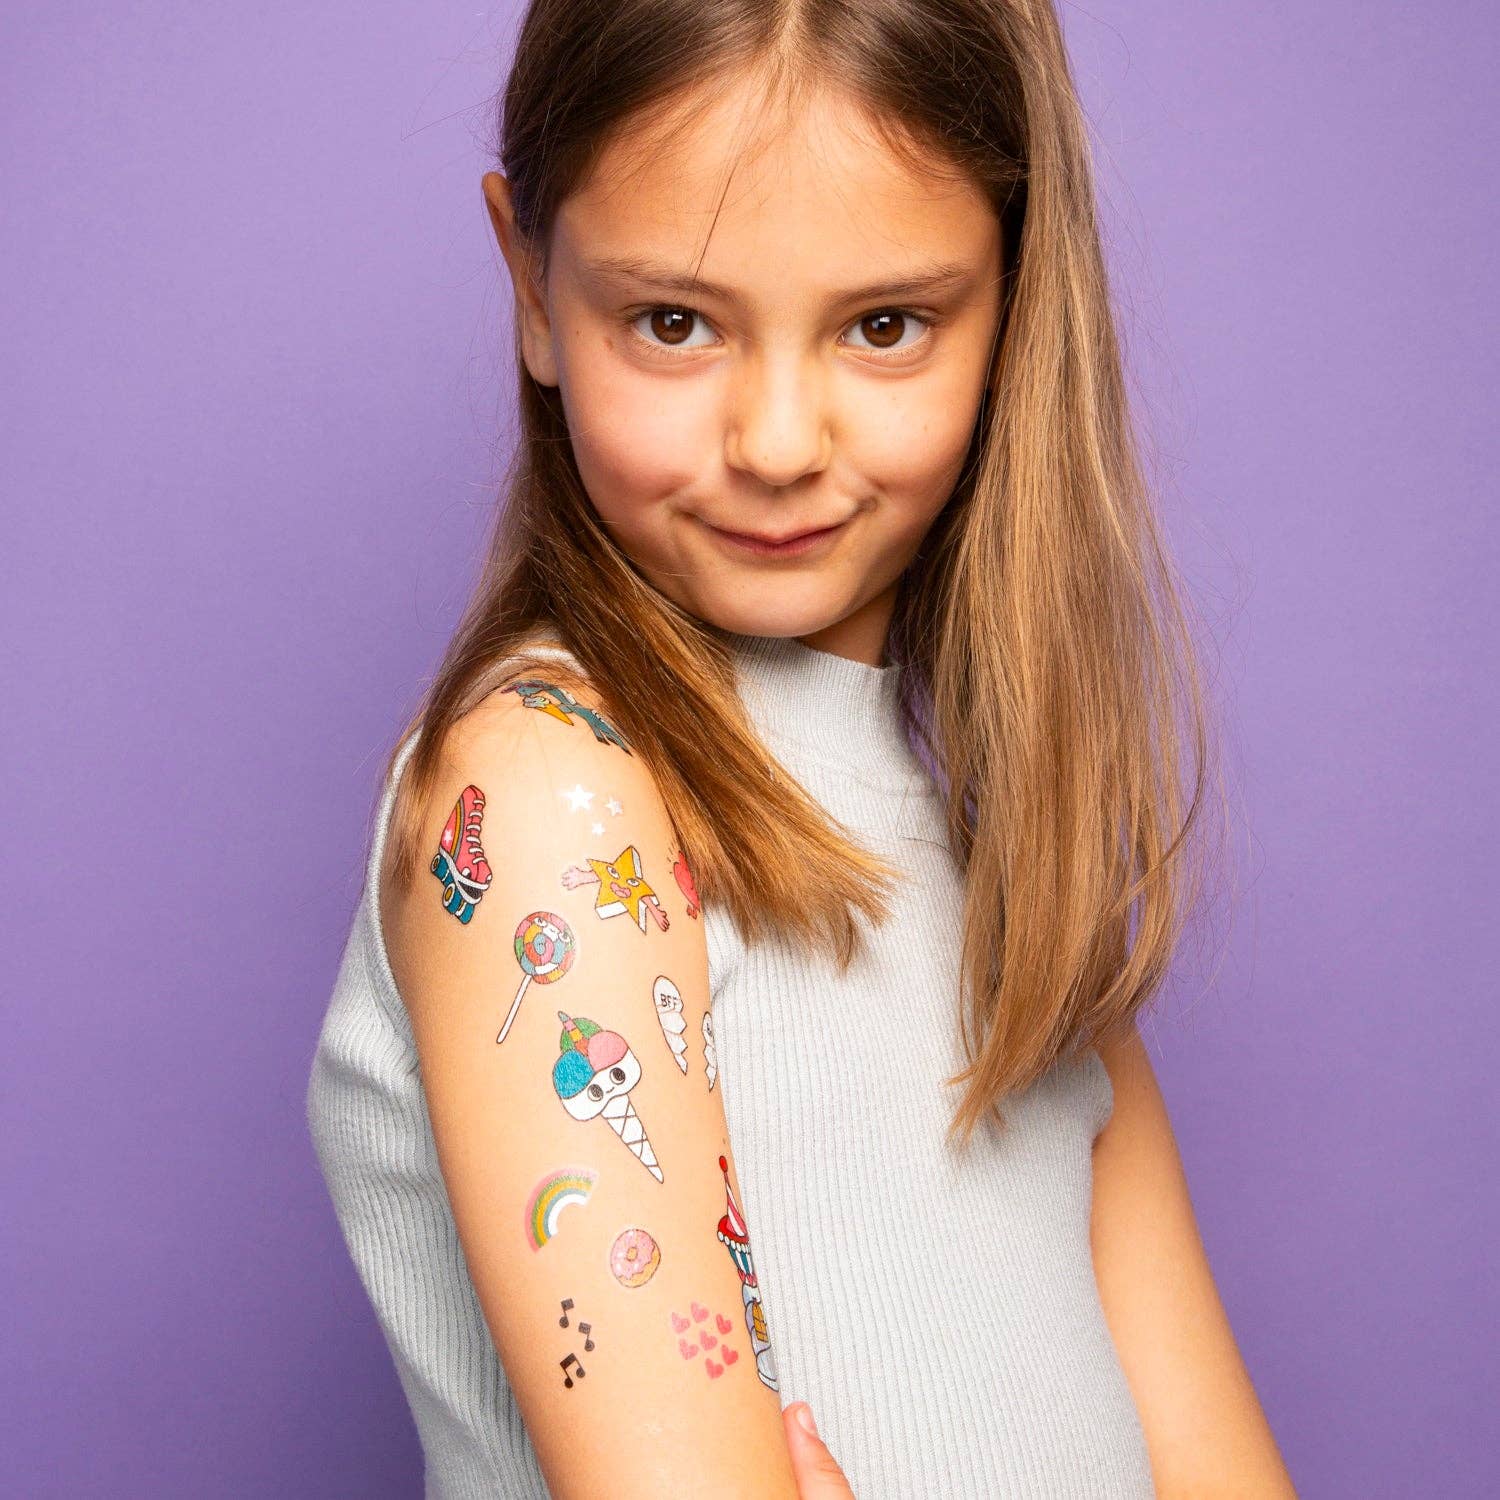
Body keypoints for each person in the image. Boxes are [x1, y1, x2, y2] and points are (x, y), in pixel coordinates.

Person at [306, 1, 1298, 1496]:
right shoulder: (554, 795)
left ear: (1018, 295)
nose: (777, 439)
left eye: (885, 324)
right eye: (675, 321)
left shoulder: (1001, 860)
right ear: (530, 277)